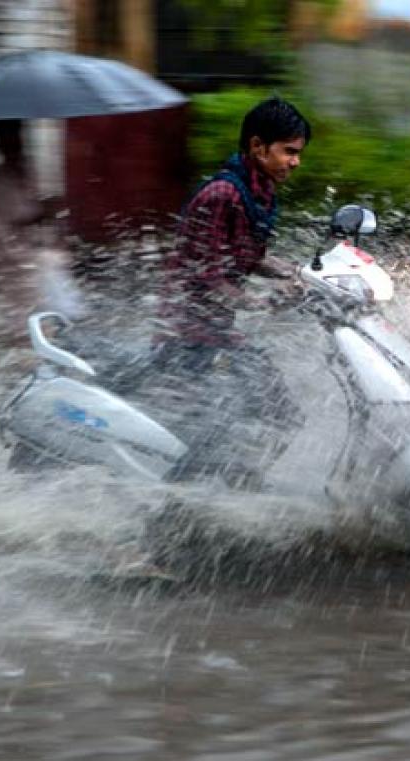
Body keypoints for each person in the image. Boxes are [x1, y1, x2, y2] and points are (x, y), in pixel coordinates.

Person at [153, 96, 311, 481]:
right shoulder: (221, 194)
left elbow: (249, 257)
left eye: (299, 153)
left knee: (280, 410)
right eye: (288, 151)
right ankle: (197, 493)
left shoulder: (260, 192)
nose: (296, 162)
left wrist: (301, 274)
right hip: (187, 335)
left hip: (216, 331)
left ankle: (241, 480)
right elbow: (207, 277)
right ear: (257, 147)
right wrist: (261, 301)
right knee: (223, 422)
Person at [0, 119, 80, 338]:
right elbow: (19, 216)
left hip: (24, 250)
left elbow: (35, 211)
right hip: (8, 252)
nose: (17, 144)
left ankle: (47, 336)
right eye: (9, 139)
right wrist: (42, 214)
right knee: (25, 306)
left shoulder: (24, 170)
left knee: (44, 287)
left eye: (19, 137)